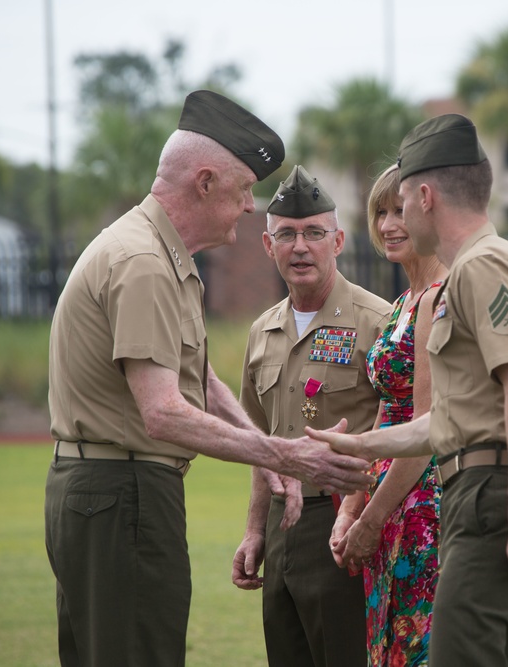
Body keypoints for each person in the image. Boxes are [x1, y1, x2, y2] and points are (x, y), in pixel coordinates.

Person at [44, 91, 373, 667]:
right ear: (203, 183)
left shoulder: (165, 258)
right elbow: (163, 412)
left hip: (117, 493)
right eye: (244, 189)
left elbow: (207, 385)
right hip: (123, 494)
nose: (250, 208)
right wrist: (287, 456)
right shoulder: (143, 263)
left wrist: (272, 459)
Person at [308, 114, 508, 666]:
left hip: (492, 494)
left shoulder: (485, 265)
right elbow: (446, 420)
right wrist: (361, 447)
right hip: (479, 490)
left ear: (425, 196)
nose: (392, 218)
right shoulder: (468, 270)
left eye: (400, 201)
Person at [231, 165, 392, 667]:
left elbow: (397, 429)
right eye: (287, 235)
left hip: (346, 522)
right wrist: (256, 529)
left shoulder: (378, 323)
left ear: (338, 240)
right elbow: (261, 440)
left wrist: (360, 517)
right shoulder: (263, 332)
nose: (300, 247)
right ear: (267, 245)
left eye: (314, 233)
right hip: (282, 526)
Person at [330, 163, 445, 666]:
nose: (389, 224)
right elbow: (383, 417)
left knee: (416, 648)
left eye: (400, 210)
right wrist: (352, 509)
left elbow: (423, 431)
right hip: (384, 497)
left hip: (421, 504)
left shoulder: (439, 299)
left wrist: (370, 520)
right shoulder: (401, 305)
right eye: (381, 212)